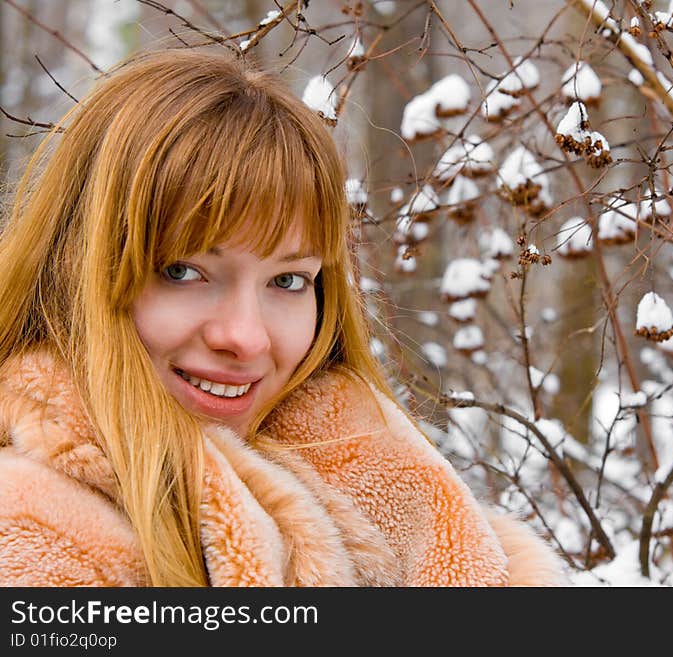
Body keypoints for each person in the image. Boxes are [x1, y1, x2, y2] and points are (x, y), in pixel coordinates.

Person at [0, 48, 567, 586]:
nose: (245, 338)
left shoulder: (371, 480)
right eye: (182, 271)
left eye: (288, 281)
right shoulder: (34, 538)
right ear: (73, 269)